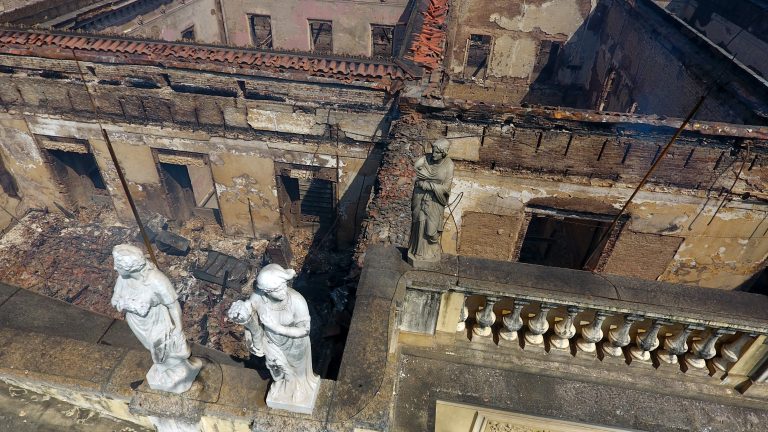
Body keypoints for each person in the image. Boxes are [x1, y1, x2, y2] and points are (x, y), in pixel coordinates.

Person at [228, 264, 320, 413]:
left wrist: (277, 327)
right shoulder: (258, 297)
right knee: (276, 366)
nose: (283, 291)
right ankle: (285, 386)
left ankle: (299, 390)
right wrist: (241, 311)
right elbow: (249, 308)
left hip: (295, 344)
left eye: (283, 286)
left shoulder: (297, 300)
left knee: (298, 371)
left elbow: (305, 330)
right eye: (276, 290)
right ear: (266, 291)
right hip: (271, 341)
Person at [111, 244, 201, 393]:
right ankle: (168, 372)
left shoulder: (156, 280)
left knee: (163, 348)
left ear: (130, 267)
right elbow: (114, 300)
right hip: (136, 323)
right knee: (153, 348)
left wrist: (178, 328)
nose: (115, 268)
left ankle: (178, 372)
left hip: (157, 320)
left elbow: (173, 305)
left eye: (118, 265)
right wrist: (125, 304)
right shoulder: (123, 278)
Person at [408, 138, 455, 264]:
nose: (433, 154)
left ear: (444, 153)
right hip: (420, 196)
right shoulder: (426, 158)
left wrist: (428, 185)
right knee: (419, 222)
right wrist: (420, 177)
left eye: (437, 152)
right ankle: (418, 252)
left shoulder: (449, 165)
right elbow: (416, 168)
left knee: (431, 231)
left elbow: (446, 188)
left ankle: (432, 248)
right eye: (433, 151)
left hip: (435, 200)